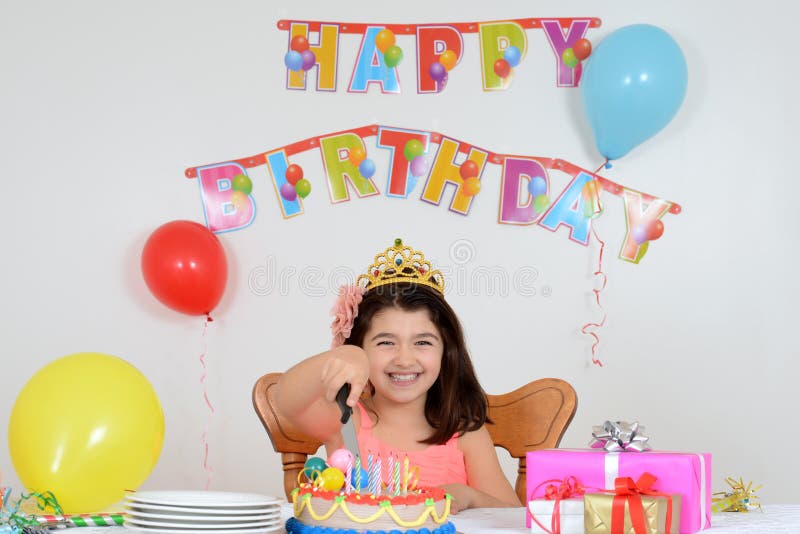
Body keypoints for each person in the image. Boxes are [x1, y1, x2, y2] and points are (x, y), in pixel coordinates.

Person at [275, 239, 520, 512]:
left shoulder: (464, 433)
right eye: (385, 342)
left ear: (446, 353)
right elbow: (285, 398)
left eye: (423, 342)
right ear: (360, 347)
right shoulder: (346, 419)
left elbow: (512, 517)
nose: (404, 359)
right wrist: (341, 357)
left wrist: (470, 497)